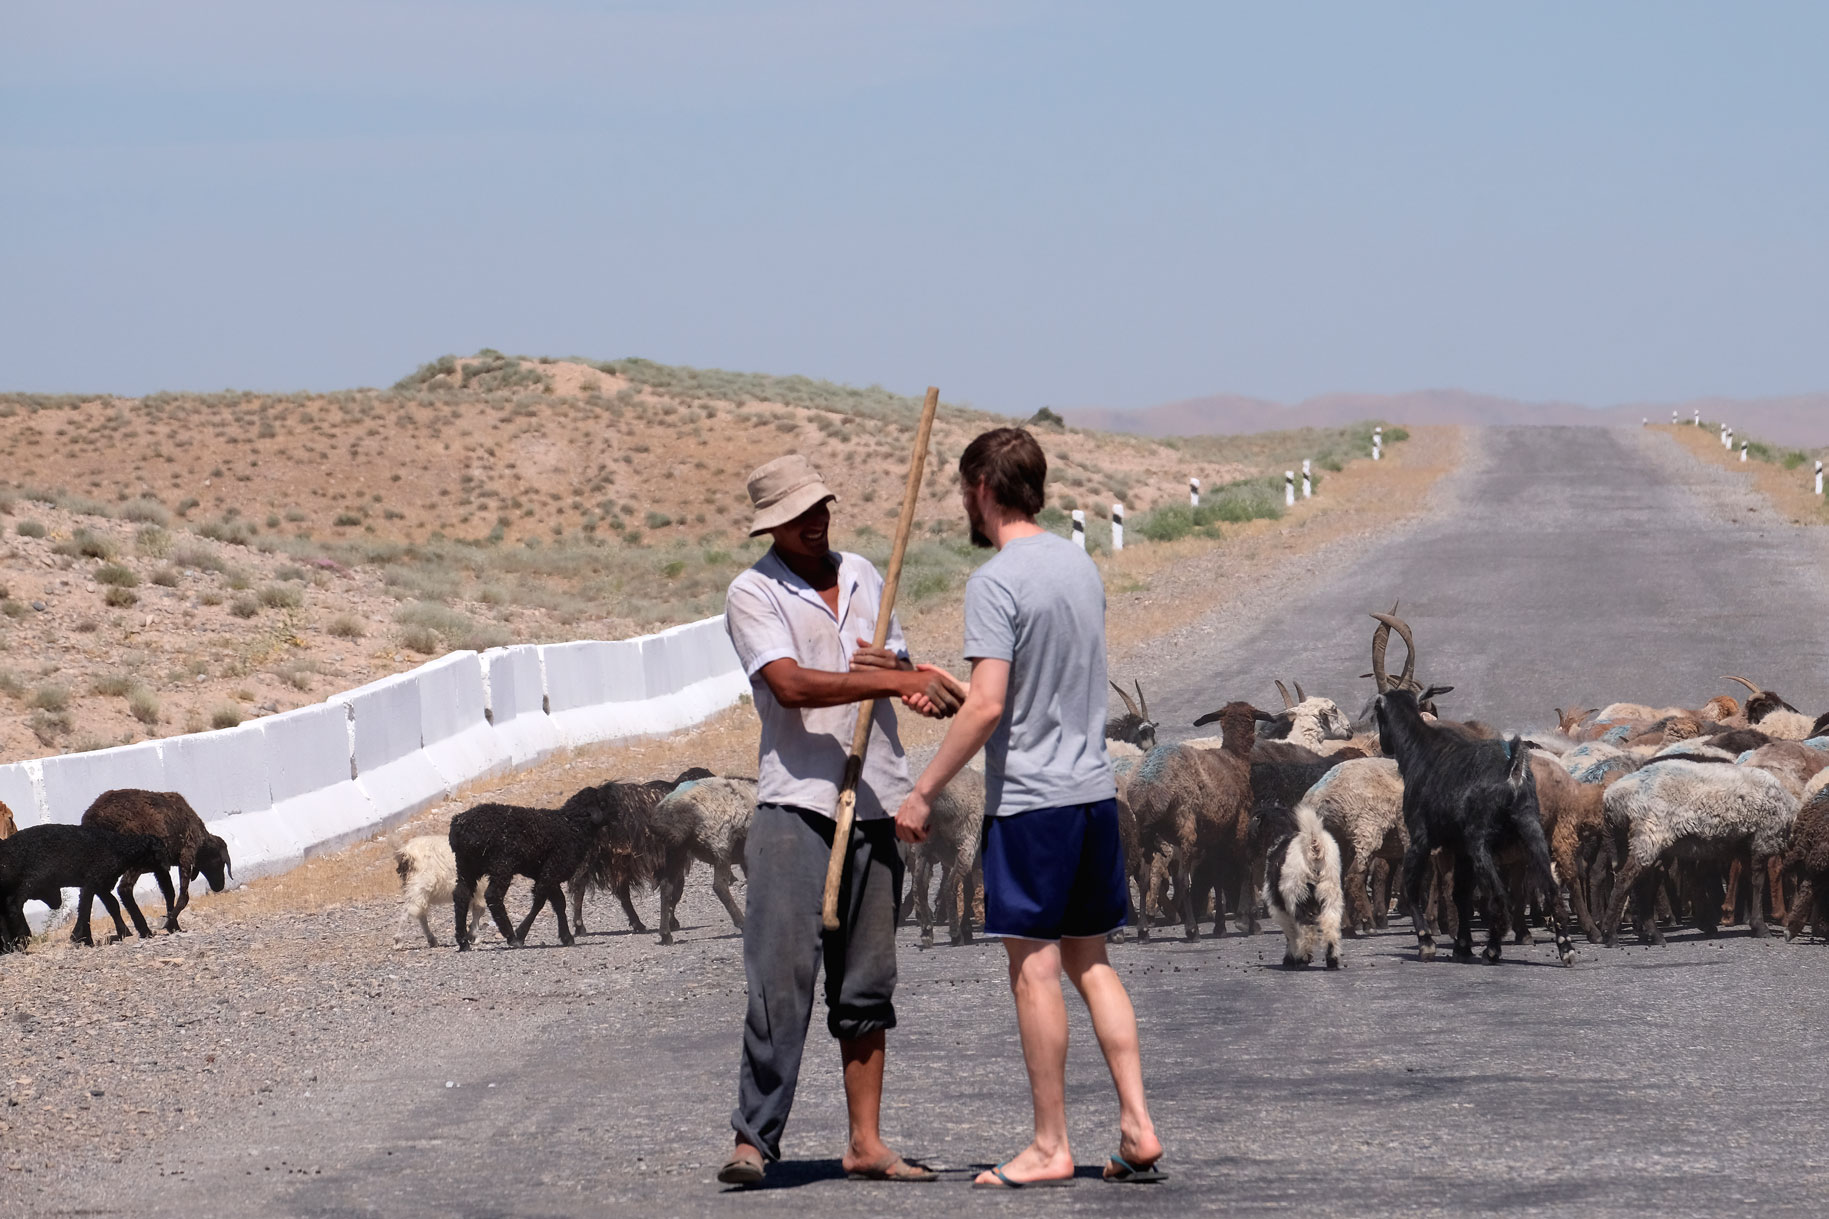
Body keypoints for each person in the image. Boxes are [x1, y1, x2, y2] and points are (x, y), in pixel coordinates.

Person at [895, 426, 1165, 1188]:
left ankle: (1050, 1145)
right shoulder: (1078, 565)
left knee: (1035, 972)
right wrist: (964, 690)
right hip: (1089, 797)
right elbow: (1031, 683)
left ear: (981, 486)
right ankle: (1138, 1125)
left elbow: (988, 706)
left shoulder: (995, 580)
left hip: (1031, 805)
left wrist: (922, 791)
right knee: (1093, 961)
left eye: (964, 489)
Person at [716, 453, 961, 1187]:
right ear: (772, 524)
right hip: (796, 801)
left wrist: (914, 682)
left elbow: (900, 665)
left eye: (820, 504)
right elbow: (790, 684)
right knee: (778, 977)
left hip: (875, 797)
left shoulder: (862, 572)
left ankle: (864, 1141)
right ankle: (753, 1140)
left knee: (867, 979)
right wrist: (892, 677)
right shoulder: (751, 591)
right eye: (798, 513)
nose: (816, 518)